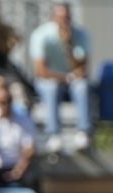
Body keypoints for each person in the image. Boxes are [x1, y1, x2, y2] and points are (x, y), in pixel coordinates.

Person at [28, 3, 91, 153]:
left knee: (82, 86)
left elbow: (83, 68)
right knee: (51, 88)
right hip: (49, 80)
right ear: (53, 18)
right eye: (61, 17)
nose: (64, 21)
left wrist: (67, 45)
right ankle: (53, 134)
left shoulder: (80, 35)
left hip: (71, 81)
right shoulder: (41, 35)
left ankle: (83, 132)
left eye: (67, 17)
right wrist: (65, 77)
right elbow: (41, 70)